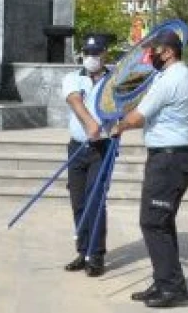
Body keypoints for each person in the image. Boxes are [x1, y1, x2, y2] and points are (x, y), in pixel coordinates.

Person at [111, 29, 188, 309]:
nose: (151, 56)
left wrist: (119, 124)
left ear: (169, 52)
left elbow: (138, 117)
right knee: (163, 221)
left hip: (167, 160)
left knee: (152, 222)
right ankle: (165, 281)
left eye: (155, 51)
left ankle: (171, 289)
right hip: (179, 156)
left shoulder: (168, 81)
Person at [62, 35, 111, 277]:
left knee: (96, 201)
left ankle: (97, 256)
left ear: (105, 54)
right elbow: (74, 100)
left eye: (96, 53)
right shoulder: (73, 77)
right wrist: (90, 123)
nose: (92, 58)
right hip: (77, 147)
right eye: (88, 53)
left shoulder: (114, 82)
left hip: (102, 149)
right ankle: (83, 252)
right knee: (78, 202)